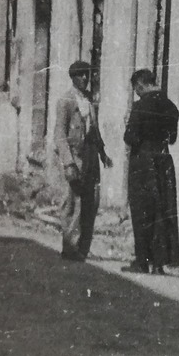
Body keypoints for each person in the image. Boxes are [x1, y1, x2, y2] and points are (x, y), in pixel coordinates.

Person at [122, 69, 179, 274]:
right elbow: (172, 138)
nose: (137, 93)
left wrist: (128, 127)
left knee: (141, 211)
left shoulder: (140, 107)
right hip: (164, 161)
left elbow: (130, 137)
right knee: (161, 210)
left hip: (143, 162)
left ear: (140, 85)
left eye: (136, 89)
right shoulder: (171, 107)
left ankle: (141, 261)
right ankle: (159, 264)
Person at [54, 60, 112, 262]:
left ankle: (82, 249)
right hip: (75, 156)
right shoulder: (66, 101)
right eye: (81, 75)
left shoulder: (88, 99)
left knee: (90, 203)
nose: (85, 79)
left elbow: (93, 130)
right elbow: (59, 134)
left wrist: (103, 154)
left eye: (87, 75)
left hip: (90, 156)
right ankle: (70, 247)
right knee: (71, 202)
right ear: (73, 77)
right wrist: (68, 163)